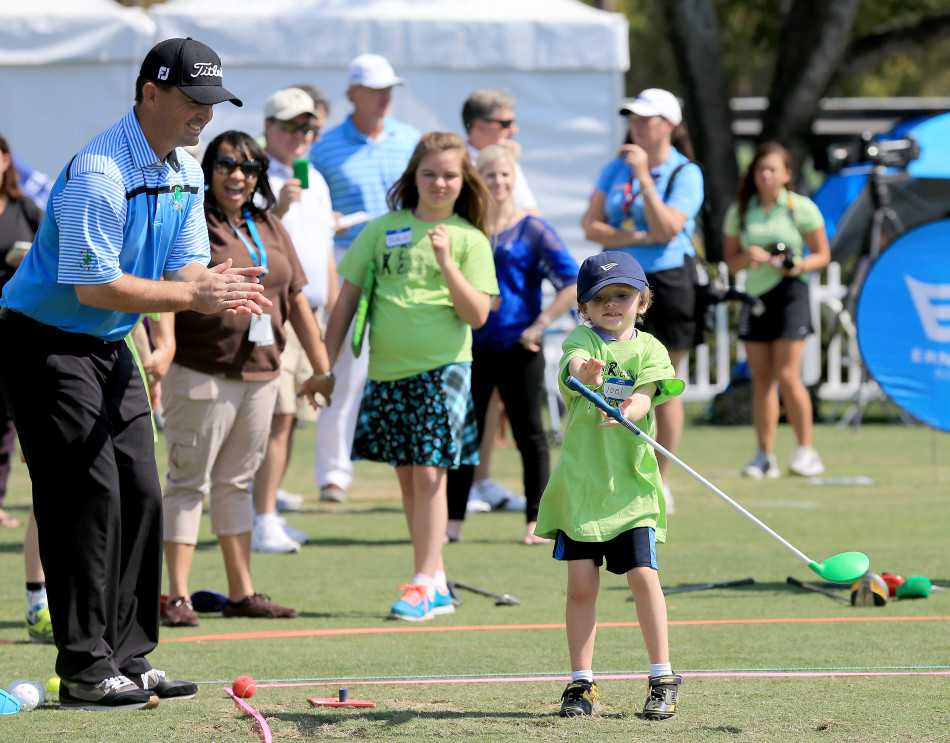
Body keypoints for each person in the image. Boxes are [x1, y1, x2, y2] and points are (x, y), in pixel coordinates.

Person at [0, 37, 265, 711]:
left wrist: (216, 288)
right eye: (193, 101)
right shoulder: (99, 169)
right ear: (150, 93)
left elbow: (184, 268)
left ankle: (128, 654)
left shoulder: (184, 168)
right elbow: (95, 287)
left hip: (105, 343)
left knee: (141, 490)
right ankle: (86, 665)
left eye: (213, 104)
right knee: (87, 497)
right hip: (46, 342)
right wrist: (192, 299)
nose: (204, 116)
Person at [160, 131, 335, 627]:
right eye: (226, 164)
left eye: (248, 167)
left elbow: (297, 298)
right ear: (208, 169)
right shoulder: (192, 219)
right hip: (201, 367)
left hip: (262, 371)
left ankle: (241, 592)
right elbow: (170, 283)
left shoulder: (269, 223)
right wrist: (166, 346)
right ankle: (176, 596)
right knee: (188, 482)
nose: (237, 175)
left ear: (259, 175)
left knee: (236, 483)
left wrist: (322, 369)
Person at [323, 131, 498, 621]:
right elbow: (346, 301)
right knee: (408, 479)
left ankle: (423, 580)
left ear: (464, 181)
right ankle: (434, 576)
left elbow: (477, 314)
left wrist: (445, 261)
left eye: (449, 175)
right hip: (387, 371)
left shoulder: (470, 238)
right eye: (429, 174)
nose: (439, 183)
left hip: (444, 371)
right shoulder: (382, 230)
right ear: (413, 177)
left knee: (428, 472)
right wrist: (324, 366)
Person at [534, 250, 684, 721]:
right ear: (584, 307)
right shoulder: (581, 340)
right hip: (582, 490)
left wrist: (626, 411)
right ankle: (582, 683)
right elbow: (576, 363)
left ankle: (662, 677)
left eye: (623, 295)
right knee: (580, 584)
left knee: (644, 578)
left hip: (633, 490)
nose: (612, 305)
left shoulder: (650, 349)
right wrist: (588, 376)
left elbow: (645, 395)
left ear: (642, 301)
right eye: (601, 298)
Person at [445, 145, 578, 545]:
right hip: (471, 345)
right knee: (465, 433)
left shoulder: (533, 229)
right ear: (477, 179)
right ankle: (453, 521)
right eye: (490, 175)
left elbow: (571, 282)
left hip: (521, 347)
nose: (499, 183)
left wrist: (540, 325)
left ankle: (536, 521)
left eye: (506, 175)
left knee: (530, 434)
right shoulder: (464, 226)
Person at [580, 88, 704, 513]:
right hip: (618, 277)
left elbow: (668, 227)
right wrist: (635, 237)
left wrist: (646, 179)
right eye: (632, 118)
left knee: (661, 385)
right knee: (618, 377)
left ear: (668, 125)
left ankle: (660, 479)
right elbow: (592, 225)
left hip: (667, 281)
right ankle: (618, 472)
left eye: (646, 118)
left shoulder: (685, 172)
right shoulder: (614, 168)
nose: (636, 125)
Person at [310, 53, 421, 504]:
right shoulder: (326, 146)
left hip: (404, 263)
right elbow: (315, 206)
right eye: (375, 90)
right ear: (352, 93)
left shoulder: (411, 140)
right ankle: (334, 473)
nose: (383, 98)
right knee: (344, 368)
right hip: (348, 258)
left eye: (389, 89)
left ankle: (412, 463)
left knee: (407, 364)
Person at [251, 86, 339, 553]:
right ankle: (261, 515)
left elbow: (323, 251)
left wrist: (333, 314)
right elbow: (249, 239)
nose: (301, 136)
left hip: (310, 314)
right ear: (269, 127)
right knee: (278, 417)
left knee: (293, 416)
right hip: (272, 312)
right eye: (291, 127)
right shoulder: (252, 173)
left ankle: (266, 512)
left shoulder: (316, 180)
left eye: (308, 128)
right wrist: (279, 207)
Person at [722, 141, 830, 478]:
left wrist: (796, 265)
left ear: (786, 174)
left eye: (772, 169)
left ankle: (806, 451)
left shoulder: (801, 208)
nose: (765, 175)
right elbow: (732, 262)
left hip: (790, 294)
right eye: (759, 170)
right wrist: (749, 257)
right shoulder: (740, 212)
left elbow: (822, 255)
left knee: (788, 376)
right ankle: (764, 456)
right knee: (762, 380)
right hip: (757, 297)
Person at [0, 134, 55, 644]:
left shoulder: (29, 209)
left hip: (21, 344)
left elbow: (52, 262)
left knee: (49, 478)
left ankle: (43, 601)